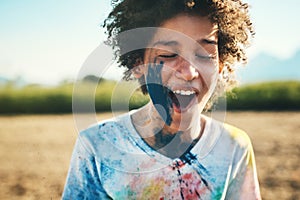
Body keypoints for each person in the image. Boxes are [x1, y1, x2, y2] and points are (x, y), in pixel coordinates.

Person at [63, 0, 261, 199]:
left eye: (204, 54)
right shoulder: (97, 146)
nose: (189, 72)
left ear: (220, 64)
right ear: (138, 63)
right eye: (168, 54)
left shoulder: (234, 146)